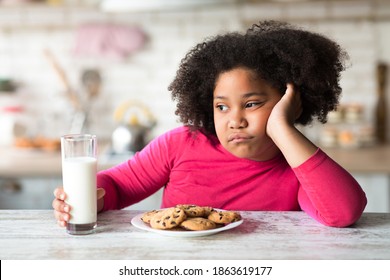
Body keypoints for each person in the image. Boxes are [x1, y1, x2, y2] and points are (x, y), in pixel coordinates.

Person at [53, 20, 367, 228]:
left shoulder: (298, 167)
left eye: (252, 104)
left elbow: (343, 213)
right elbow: (117, 187)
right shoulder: (180, 144)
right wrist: (86, 196)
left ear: (290, 100)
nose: (236, 120)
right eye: (221, 107)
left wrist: (284, 130)